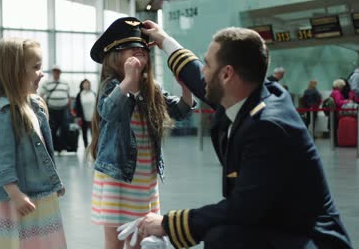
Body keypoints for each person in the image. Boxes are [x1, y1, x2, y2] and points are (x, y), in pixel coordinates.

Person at [137, 22, 352, 248]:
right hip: (277, 219)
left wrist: (168, 225)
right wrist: (163, 40)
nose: (202, 70)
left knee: (224, 238)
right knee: (221, 236)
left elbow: (241, 208)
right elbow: (197, 77)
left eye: (207, 64)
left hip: (309, 236)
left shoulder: (266, 127)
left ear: (227, 74)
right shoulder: (256, 93)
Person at [88, 17, 194, 249]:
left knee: (139, 238)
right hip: (118, 176)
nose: (140, 55)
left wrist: (186, 89)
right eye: (132, 50)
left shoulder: (151, 88)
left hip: (144, 177)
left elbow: (180, 111)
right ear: (116, 57)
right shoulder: (111, 86)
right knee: (115, 241)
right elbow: (109, 111)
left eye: (143, 51)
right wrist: (127, 81)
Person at [0, 38, 67, 249]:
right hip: (16, 200)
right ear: (14, 71)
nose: (41, 73)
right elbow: (0, 160)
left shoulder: (34, 105)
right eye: (36, 67)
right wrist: (15, 194)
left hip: (39, 194)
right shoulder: (4, 112)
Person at [37, 66, 71, 153]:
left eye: (58, 71)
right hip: (51, 110)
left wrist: (70, 109)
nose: (56, 73)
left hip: (64, 109)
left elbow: (68, 96)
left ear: (60, 72)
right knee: (52, 129)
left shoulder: (65, 83)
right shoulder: (46, 83)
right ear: (52, 72)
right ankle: (54, 148)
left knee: (65, 128)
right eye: (55, 71)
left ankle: (63, 147)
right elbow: (41, 96)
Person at [74, 79, 96, 148]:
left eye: (88, 83)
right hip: (83, 117)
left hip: (93, 117)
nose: (87, 85)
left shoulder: (93, 93)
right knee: (84, 132)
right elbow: (77, 106)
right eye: (85, 83)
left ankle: (94, 146)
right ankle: (86, 146)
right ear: (82, 85)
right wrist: (78, 116)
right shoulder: (79, 95)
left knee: (94, 133)